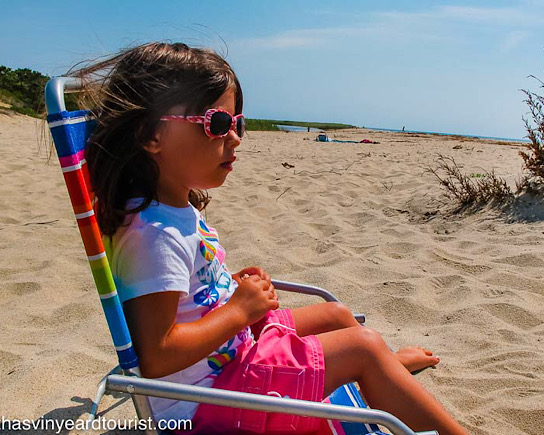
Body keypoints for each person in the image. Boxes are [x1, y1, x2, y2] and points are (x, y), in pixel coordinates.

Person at [74, 42, 469, 435]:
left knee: (335, 316)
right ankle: (384, 374)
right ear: (150, 134)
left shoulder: (173, 211)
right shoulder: (154, 234)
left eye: (238, 123)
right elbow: (157, 355)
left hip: (230, 355)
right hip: (210, 402)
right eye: (216, 124)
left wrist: (233, 292)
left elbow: (189, 299)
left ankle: (383, 375)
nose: (235, 138)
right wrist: (238, 312)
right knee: (362, 346)